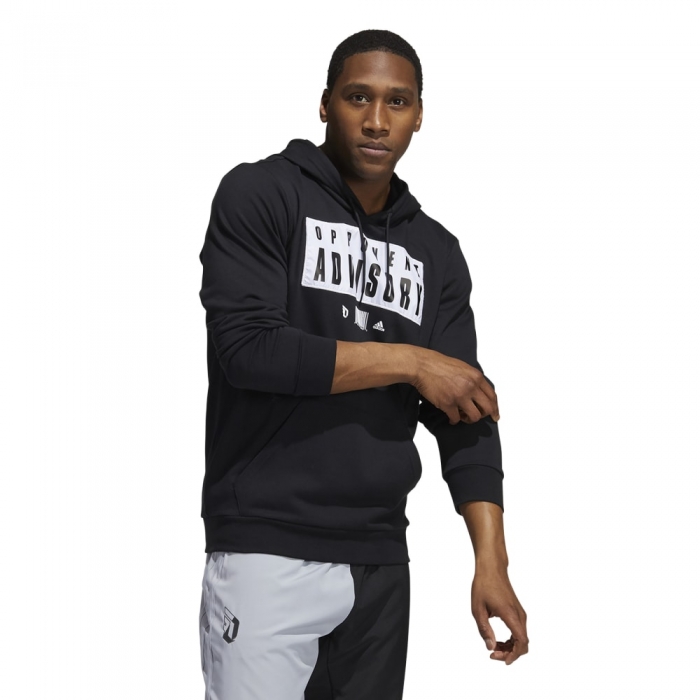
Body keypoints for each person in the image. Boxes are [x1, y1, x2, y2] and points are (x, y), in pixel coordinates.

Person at [197, 28, 528, 700]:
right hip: (267, 548)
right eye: (358, 97)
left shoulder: (435, 252)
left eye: (397, 102)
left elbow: (465, 408)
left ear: (419, 114)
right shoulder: (261, 193)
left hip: (380, 559)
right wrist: (412, 361)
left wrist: (491, 560)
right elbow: (249, 351)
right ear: (326, 104)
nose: (377, 120)